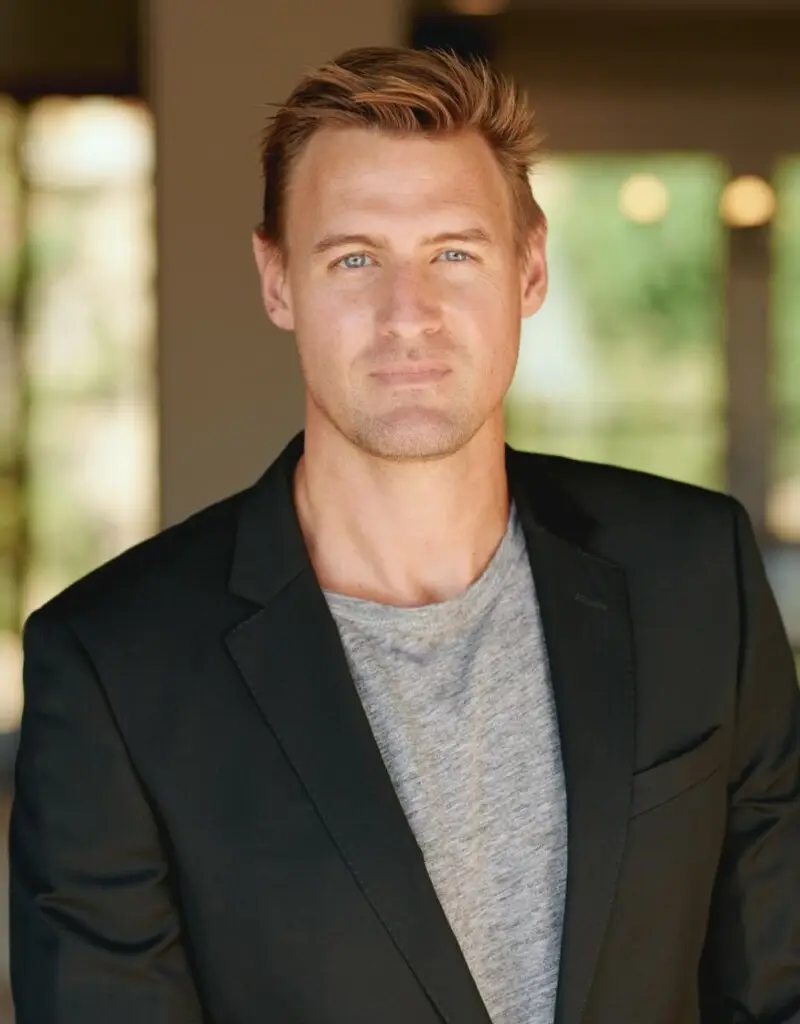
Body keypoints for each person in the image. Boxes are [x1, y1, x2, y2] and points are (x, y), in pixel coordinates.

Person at [9, 45, 800, 1024]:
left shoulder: (695, 574)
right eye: (353, 258)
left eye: (453, 252)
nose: (407, 315)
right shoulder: (114, 667)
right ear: (277, 282)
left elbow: (776, 986)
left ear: (530, 268)